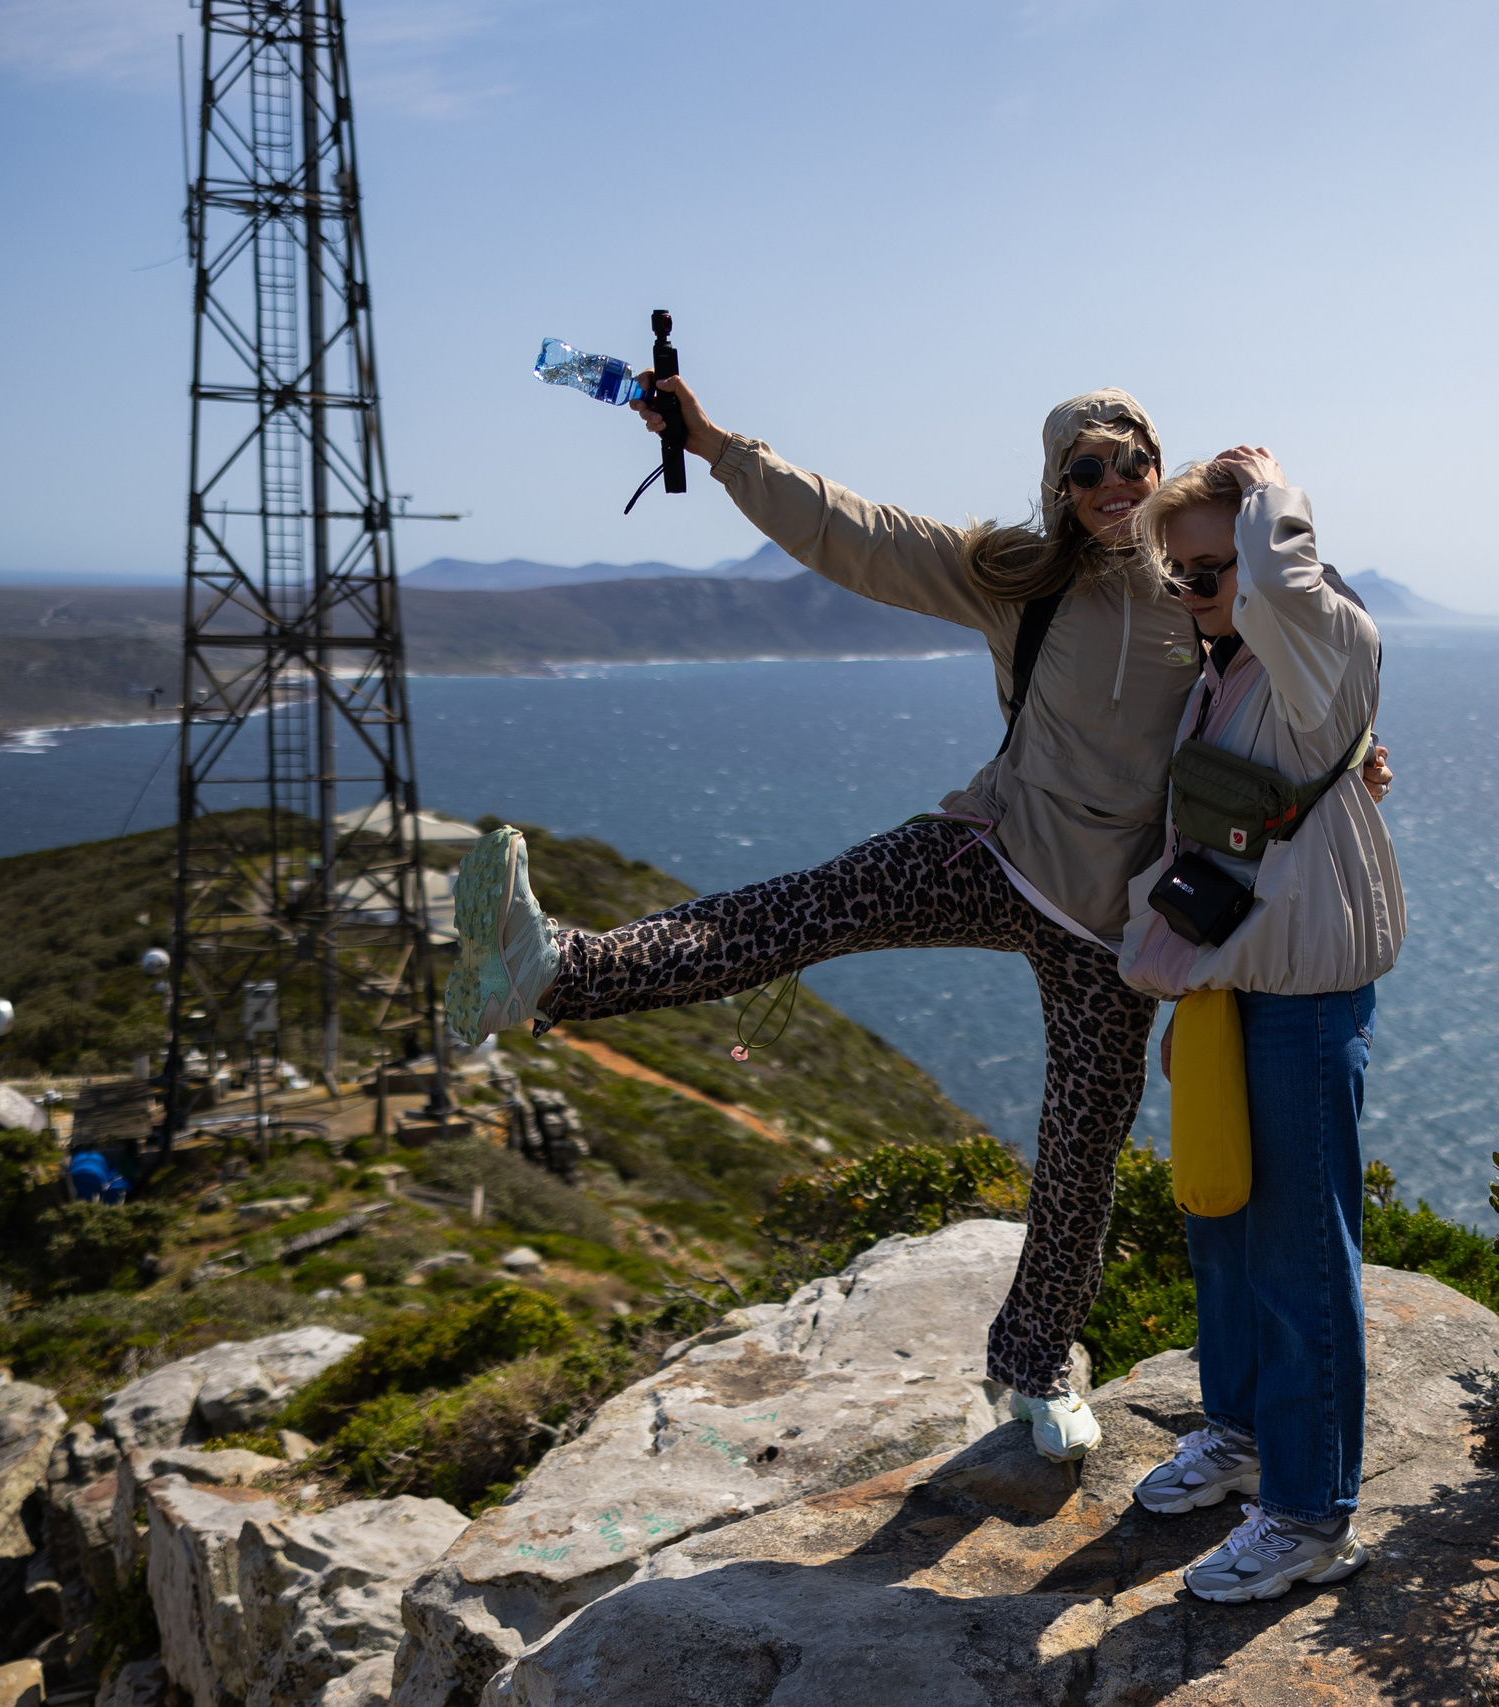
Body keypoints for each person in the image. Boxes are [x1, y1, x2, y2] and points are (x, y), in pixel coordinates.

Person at [442, 383, 1388, 1465]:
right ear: (1058, 485)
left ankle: (1034, 1368)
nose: (1114, 484)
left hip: (1115, 926)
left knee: (1080, 1156)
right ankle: (554, 970)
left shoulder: (1205, 583)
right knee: (800, 909)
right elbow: (857, 533)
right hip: (994, 849)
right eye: (1086, 468)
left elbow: (1303, 681)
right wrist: (714, 445)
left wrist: (1359, 756)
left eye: (1134, 461)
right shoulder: (1017, 576)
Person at [1115, 449, 1404, 1603]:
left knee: (1296, 1253)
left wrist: (1269, 493)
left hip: (1302, 997)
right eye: (1177, 572)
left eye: (1214, 567)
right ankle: (1238, 1436)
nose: (1194, 590)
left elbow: (1287, 588)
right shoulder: (1222, 670)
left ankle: (1308, 1512)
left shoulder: (1320, 652)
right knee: (1221, 1227)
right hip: (1227, 986)